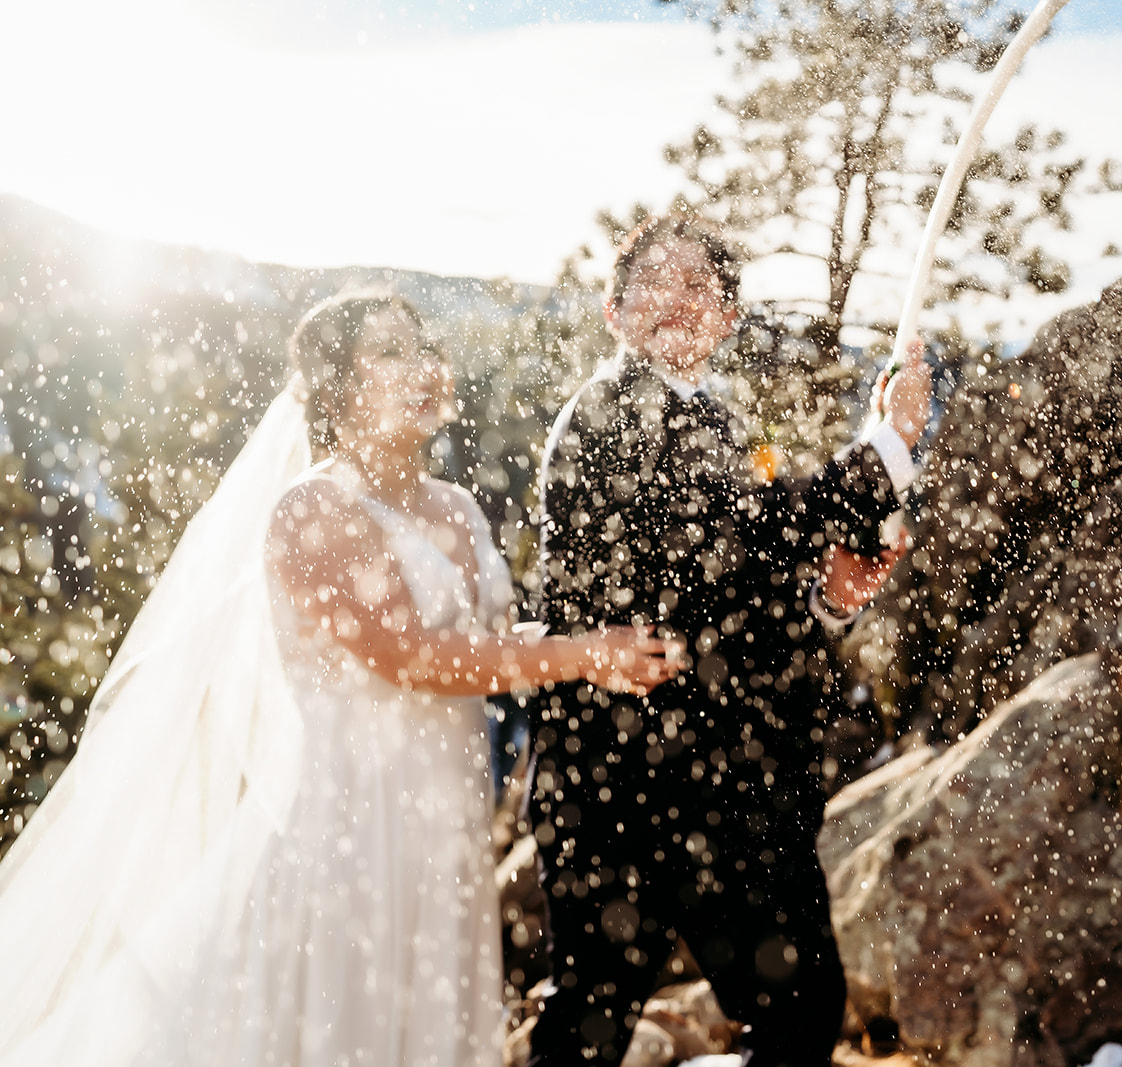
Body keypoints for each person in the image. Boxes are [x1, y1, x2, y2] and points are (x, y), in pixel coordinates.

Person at [0, 290, 682, 1066]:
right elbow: (414, 657)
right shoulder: (312, 509)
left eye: (423, 346)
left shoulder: (458, 506)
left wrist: (594, 649)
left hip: (445, 823)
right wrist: (578, 654)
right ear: (336, 388)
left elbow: (485, 644)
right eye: (389, 351)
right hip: (353, 827)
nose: (422, 366)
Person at [525, 216, 932, 1066]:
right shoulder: (609, 412)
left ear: (728, 319)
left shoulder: (715, 418)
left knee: (798, 1008)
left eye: (702, 287)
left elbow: (739, 583)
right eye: (658, 282)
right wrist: (886, 444)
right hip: (622, 783)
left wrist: (830, 597)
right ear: (613, 309)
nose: (680, 300)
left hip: (721, 786)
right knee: (596, 1025)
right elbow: (736, 540)